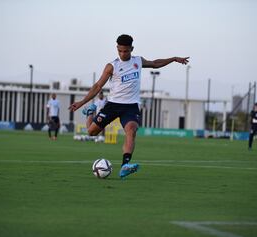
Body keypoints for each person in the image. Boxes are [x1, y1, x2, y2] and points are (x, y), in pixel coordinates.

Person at [68, 34, 189, 178]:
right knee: (91, 132)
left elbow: (155, 63)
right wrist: (82, 102)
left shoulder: (138, 60)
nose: (123, 54)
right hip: (112, 105)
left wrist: (174, 59)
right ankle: (90, 112)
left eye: (126, 51)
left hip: (131, 106)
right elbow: (97, 86)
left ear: (132, 49)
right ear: (117, 48)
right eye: (120, 51)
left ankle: (125, 165)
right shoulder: (112, 66)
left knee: (131, 131)